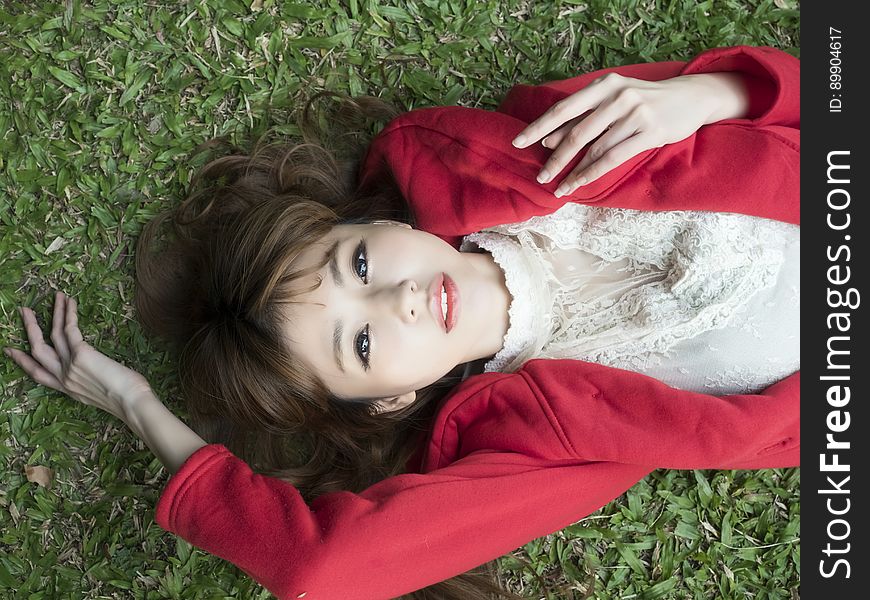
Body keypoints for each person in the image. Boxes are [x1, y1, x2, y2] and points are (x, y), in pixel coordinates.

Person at [3, 45, 799, 600]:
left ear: (372, 225)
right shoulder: (539, 437)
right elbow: (323, 566)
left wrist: (705, 94)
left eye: (356, 266)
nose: (399, 300)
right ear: (387, 399)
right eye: (361, 342)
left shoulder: (522, 152)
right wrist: (140, 407)